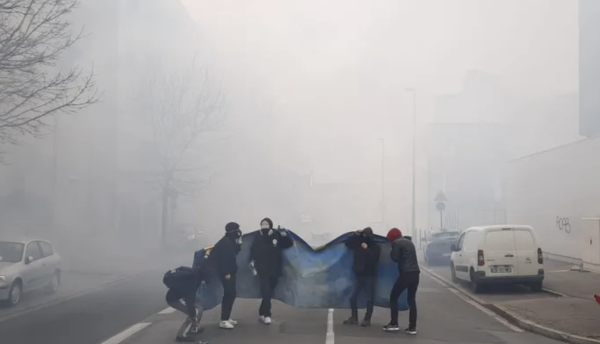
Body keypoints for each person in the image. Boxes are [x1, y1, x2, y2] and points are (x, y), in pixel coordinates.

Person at [249, 217, 294, 324]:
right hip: (262, 269)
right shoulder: (258, 236)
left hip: (275, 269)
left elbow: (288, 244)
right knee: (266, 291)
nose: (264, 226)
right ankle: (267, 314)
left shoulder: (276, 235)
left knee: (269, 292)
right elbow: (253, 250)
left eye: (266, 224)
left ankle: (261, 312)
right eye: (262, 224)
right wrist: (252, 262)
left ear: (270, 224)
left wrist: (284, 234)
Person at [383, 227, 420, 335]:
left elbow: (395, 257)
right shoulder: (409, 242)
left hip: (406, 274)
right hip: (415, 273)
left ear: (392, 237)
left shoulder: (396, 243)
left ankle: (394, 323)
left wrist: (390, 251)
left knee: (393, 296)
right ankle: (412, 327)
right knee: (411, 299)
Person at [343, 227, 381, 327]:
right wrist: (355, 235)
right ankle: (354, 318)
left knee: (369, 298)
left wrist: (366, 249)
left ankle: (367, 319)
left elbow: (374, 260)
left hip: (370, 275)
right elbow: (347, 243)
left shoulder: (375, 246)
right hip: (359, 275)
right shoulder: (358, 243)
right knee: (353, 297)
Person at [211, 222, 243, 329]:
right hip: (226, 273)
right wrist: (226, 273)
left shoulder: (229, 241)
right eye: (237, 229)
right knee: (229, 294)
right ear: (233, 231)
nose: (239, 231)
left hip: (230, 271)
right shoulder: (225, 243)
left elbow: (235, 253)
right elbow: (223, 260)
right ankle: (224, 320)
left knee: (231, 294)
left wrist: (239, 243)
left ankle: (226, 317)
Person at [163, 265, 206, 343]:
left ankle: (194, 328)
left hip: (179, 295)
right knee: (194, 312)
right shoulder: (192, 284)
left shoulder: (192, 272)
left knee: (199, 306)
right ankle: (181, 335)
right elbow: (189, 301)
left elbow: (181, 267)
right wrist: (192, 314)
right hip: (175, 299)